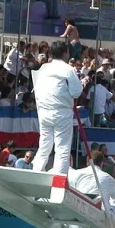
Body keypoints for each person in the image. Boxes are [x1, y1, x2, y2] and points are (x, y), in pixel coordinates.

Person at [52, 150, 115, 228]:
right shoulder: (107, 178)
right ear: (102, 163)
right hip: (100, 214)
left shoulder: (76, 174)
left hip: (80, 213)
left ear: (87, 162)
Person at [32, 42, 82, 174]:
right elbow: (76, 92)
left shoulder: (43, 68)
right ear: (65, 53)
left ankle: (35, 172)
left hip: (43, 111)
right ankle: (58, 179)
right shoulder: (68, 69)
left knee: (44, 146)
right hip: (61, 111)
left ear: (51, 53)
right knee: (62, 148)